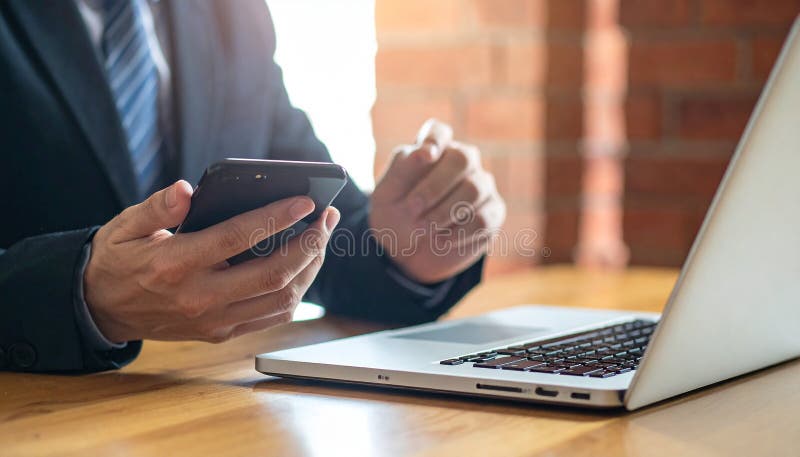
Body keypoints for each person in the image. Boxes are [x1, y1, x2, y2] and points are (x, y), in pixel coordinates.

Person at [0, 0, 505, 373]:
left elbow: (315, 232)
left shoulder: (232, 12)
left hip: (203, 408)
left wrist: (405, 250)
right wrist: (80, 293)